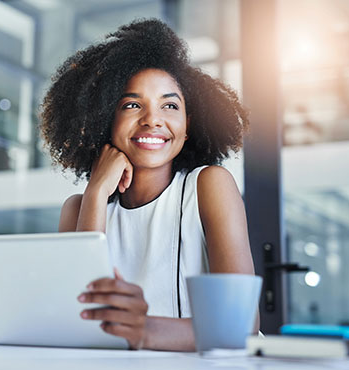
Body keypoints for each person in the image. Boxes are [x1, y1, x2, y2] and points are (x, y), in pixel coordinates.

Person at [40, 19, 257, 351]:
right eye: (132, 105)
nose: (153, 119)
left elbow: (240, 324)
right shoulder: (78, 208)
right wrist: (96, 193)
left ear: (187, 125)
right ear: (103, 120)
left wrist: (144, 330)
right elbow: (79, 322)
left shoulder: (208, 186)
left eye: (170, 105)